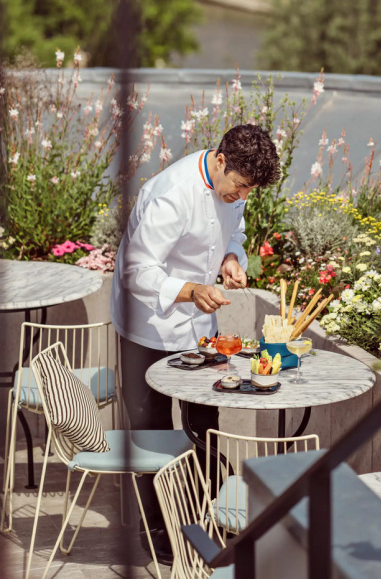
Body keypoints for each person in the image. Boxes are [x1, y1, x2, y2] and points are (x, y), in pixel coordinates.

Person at [110, 123, 281, 563]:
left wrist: (229, 259)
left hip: (198, 327)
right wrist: (190, 291)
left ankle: (201, 517)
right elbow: (136, 271)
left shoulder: (232, 187)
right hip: (147, 324)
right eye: (240, 188)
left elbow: (232, 235)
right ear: (221, 160)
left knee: (204, 423)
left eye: (250, 192)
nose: (242, 198)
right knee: (152, 432)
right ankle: (158, 531)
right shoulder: (173, 193)